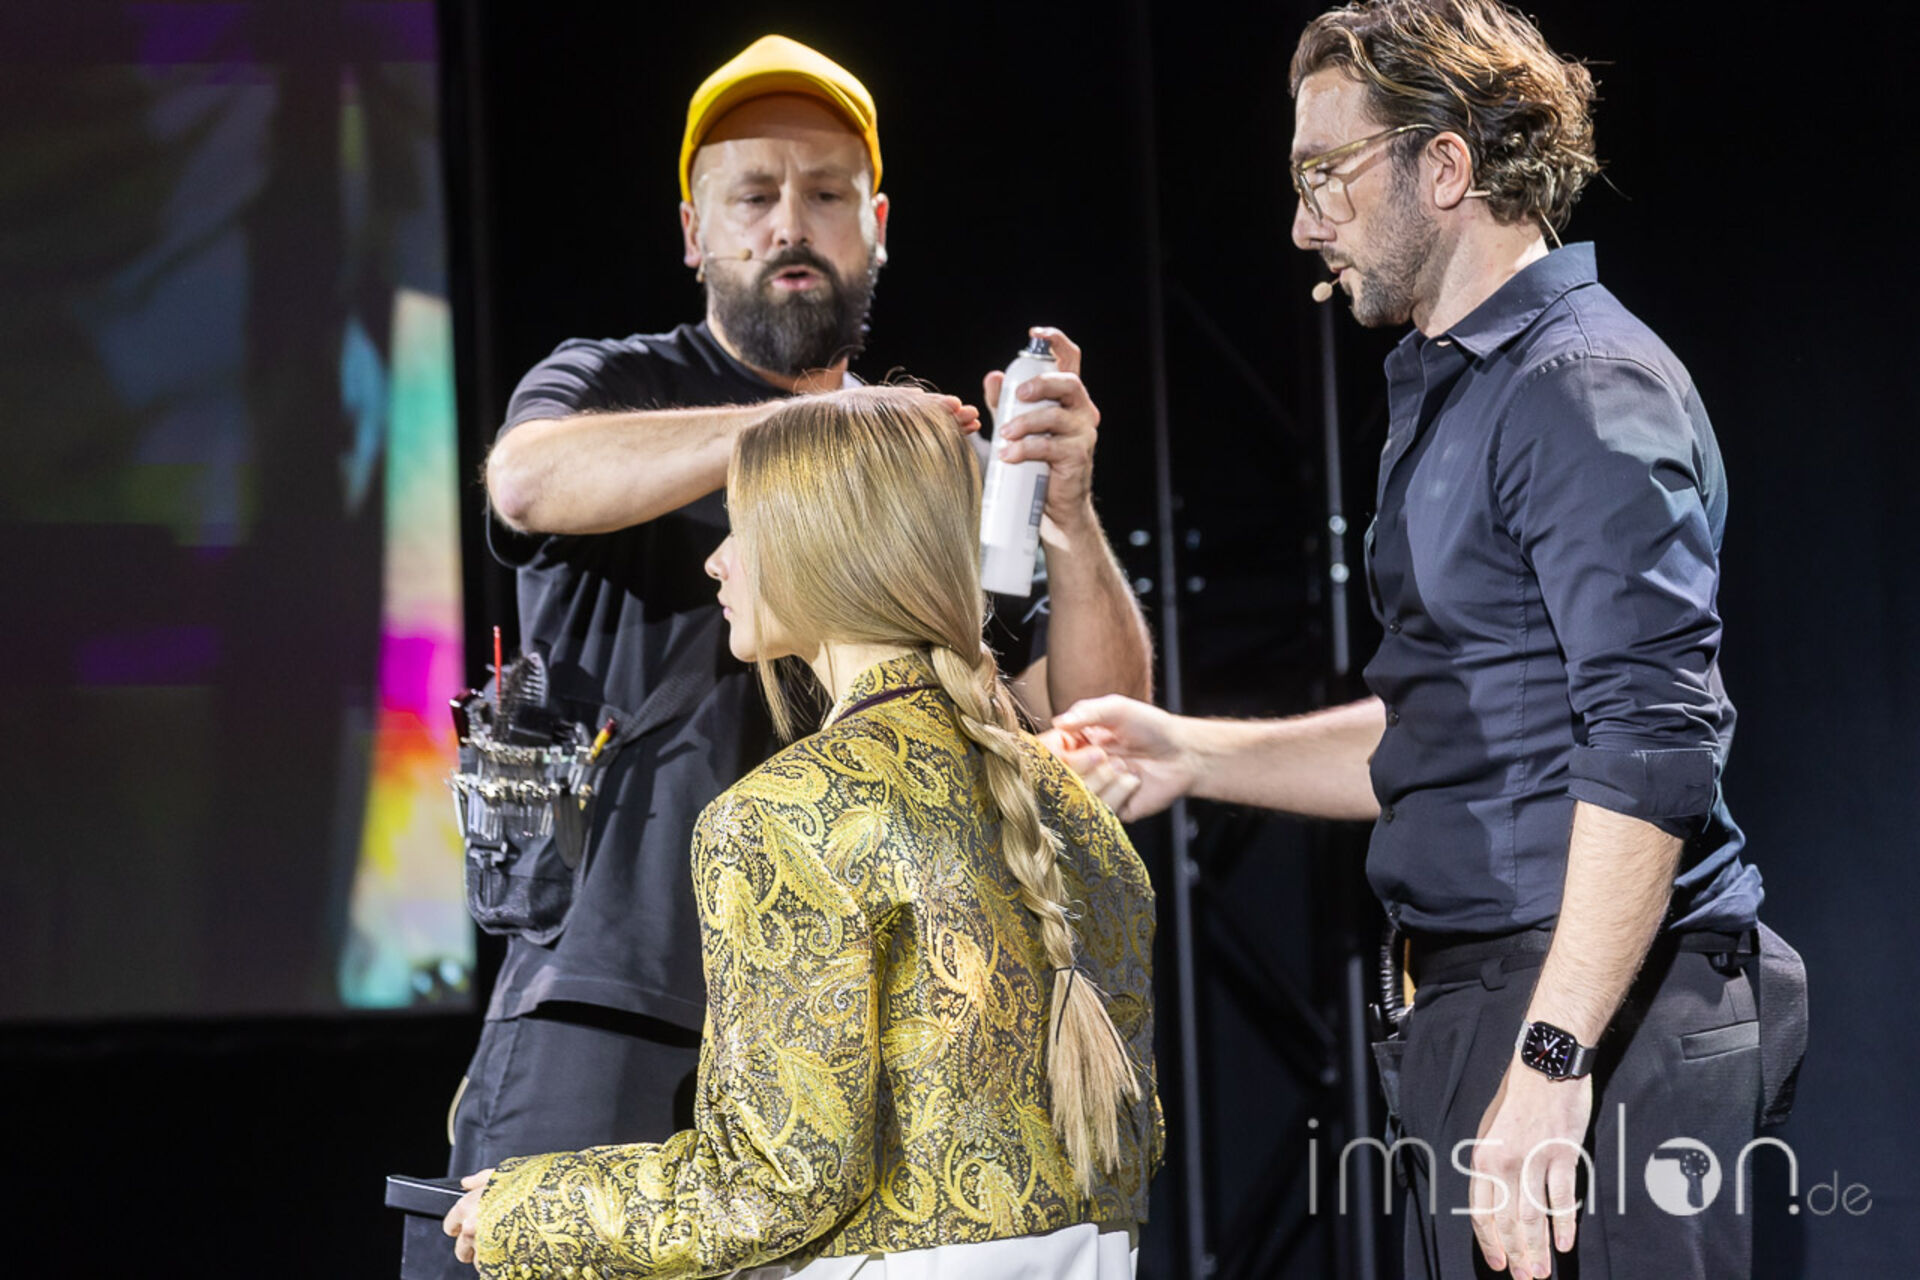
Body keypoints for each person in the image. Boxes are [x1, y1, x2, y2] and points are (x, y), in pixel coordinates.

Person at [1048, 2, 1803, 1277]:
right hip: (1497, 1011)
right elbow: (1451, 727)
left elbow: (1653, 739)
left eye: (1324, 175)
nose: (1305, 223)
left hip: (1596, 1020)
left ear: (1444, 165)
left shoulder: (1579, 384)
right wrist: (1188, 750)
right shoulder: (1459, 390)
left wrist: (1554, 1057)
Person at [443, 32, 1153, 1269]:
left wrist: (1071, 515)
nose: (790, 223)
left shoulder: (915, 458)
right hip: (613, 996)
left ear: (876, 224)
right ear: (693, 232)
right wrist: (811, 433)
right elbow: (526, 480)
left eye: (825, 193)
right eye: (754, 195)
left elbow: (1095, 722)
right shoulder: (613, 383)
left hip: (871, 1008)